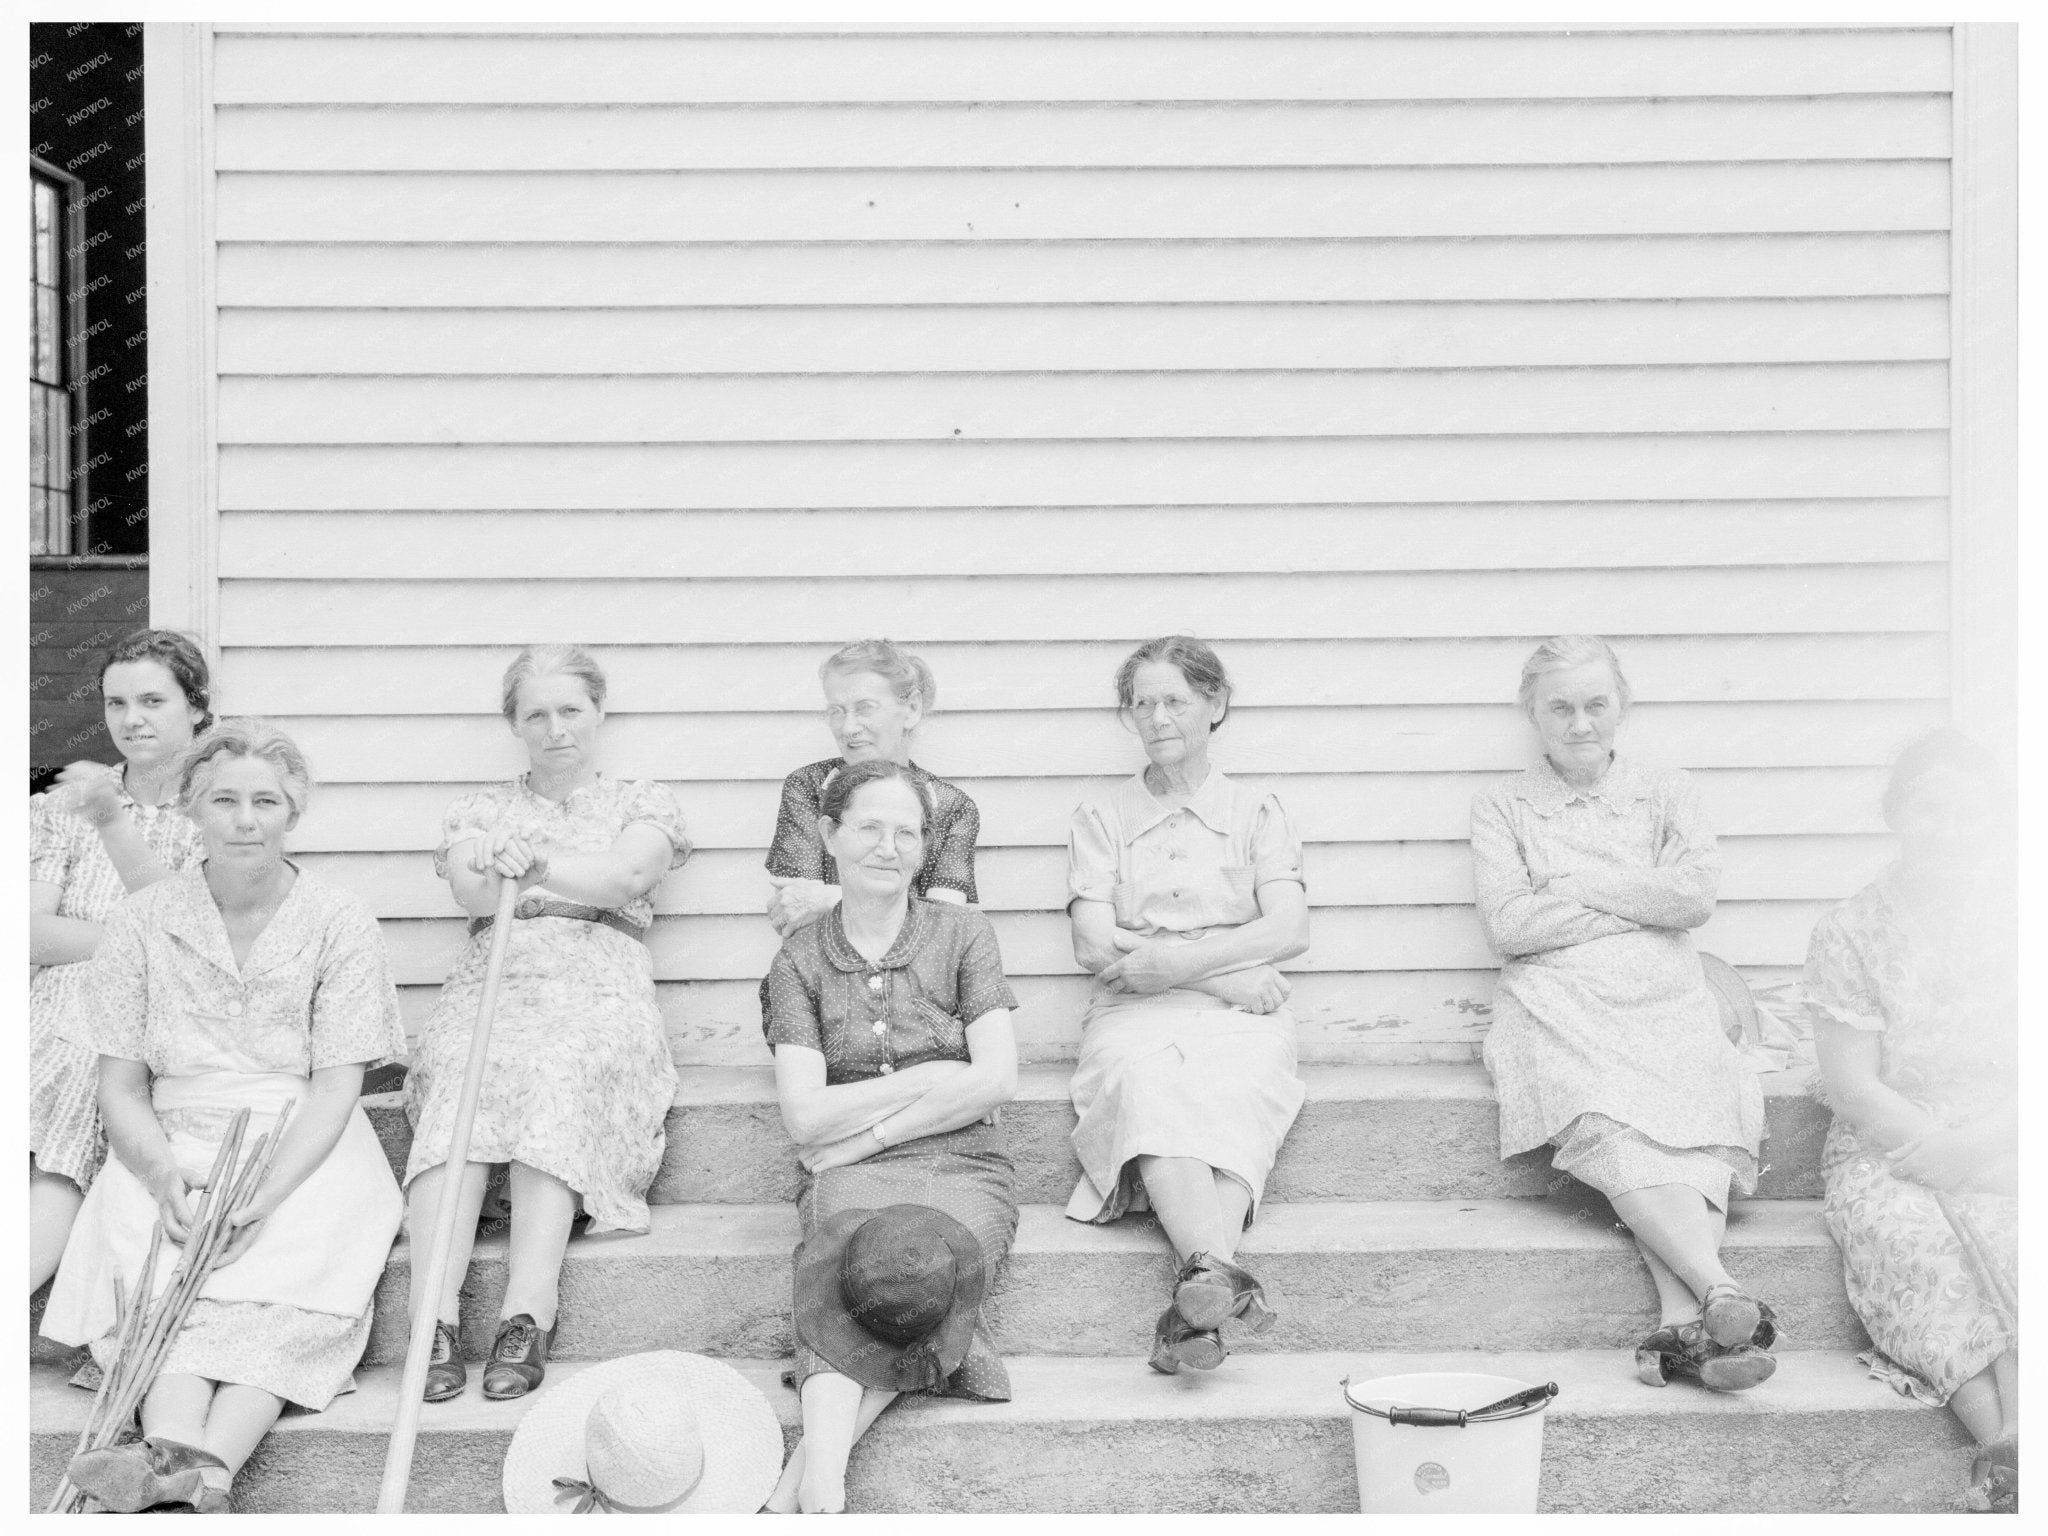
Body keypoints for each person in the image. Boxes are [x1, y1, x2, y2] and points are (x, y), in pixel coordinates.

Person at [41, 721, 407, 1514]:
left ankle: (194, 1469)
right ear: (190, 811)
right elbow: (121, 1086)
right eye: (226, 800)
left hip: (304, 1141)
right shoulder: (143, 922)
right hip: (167, 1138)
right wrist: (162, 1174)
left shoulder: (338, 918)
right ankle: (187, 1465)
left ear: (294, 812)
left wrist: (264, 1197)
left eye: (266, 801)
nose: (246, 819)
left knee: (281, 1284)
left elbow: (340, 1084)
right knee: (166, 1275)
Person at [1471, 635, 1773, 1393]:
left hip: (1667, 996)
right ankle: (1720, 1292)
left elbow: (1694, 899)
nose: (1580, 723)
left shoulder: (1667, 792)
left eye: (1596, 704)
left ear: (1622, 706)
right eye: (1560, 707)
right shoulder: (1502, 804)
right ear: (1531, 714)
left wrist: (1572, 881)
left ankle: (1682, 1325)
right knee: (1611, 1121)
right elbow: (1511, 926)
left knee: (1694, 1125)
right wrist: (1641, 899)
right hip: (1557, 1002)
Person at [402, 645, 688, 1403]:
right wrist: (492, 862)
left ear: (598, 713)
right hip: (498, 966)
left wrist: (534, 870)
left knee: (559, 1064)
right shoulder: (483, 810)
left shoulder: (640, 800)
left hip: (597, 970)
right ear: (514, 724)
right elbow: (470, 889)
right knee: (463, 1070)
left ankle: (527, 1312)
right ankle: (431, 1322)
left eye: (571, 710)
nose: (556, 728)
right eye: (537, 714)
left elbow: (626, 876)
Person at [758, 758, 1020, 1513]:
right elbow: (804, 1118)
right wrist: (936, 1077)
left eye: (907, 831)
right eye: (869, 826)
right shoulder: (799, 959)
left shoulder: (965, 934)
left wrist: (865, 1134)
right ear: (830, 836)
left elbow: (998, 1079)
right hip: (845, 1168)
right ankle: (826, 1488)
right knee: (850, 1268)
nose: (888, 845)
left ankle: (811, 1481)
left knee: (921, 1268)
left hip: (963, 1164)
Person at [1063, 635, 1310, 1374]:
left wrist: (1181, 966)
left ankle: (1200, 1294)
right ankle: (1213, 1281)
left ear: (1216, 704)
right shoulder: (1102, 816)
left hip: (1244, 1016)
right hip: (1137, 1008)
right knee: (1146, 1087)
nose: (1158, 717)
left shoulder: (1255, 810)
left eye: (1175, 700)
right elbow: (1092, 943)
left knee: (1234, 1093)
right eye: (1143, 703)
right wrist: (1215, 976)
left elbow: (1290, 928)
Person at [1806, 730, 2017, 1513]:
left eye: (1972, 814)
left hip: (2007, 1136)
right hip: (1889, 1144)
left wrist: (1978, 1148)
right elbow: (1853, 1084)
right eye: (1932, 810)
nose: (1952, 831)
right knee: (1917, 1250)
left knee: (2022, 1242)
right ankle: (2005, 1443)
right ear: (1898, 815)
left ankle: (2017, 1443)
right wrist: (1938, 1150)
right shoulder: (1851, 929)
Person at [30, 629, 214, 1293]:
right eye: (116, 704)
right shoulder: (63, 806)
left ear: (195, 706)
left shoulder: (220, 808)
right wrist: (133, 936)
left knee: (70, 1103)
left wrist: (88, 936)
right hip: (43, 1000)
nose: (130, 719)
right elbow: (29, 935)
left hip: (144, 1013)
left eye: (152, 701)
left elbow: (192, 939)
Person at [765, 639, 979, 939]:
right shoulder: (809, 789)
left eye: (865, 708)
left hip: (919, 983)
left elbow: (945, 925)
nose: (848, 727)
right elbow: (797, 912)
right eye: (837, 711)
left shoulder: (950, 807)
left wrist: (829, 900)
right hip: (821, 978)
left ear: (912, 709)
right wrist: (904, 909)